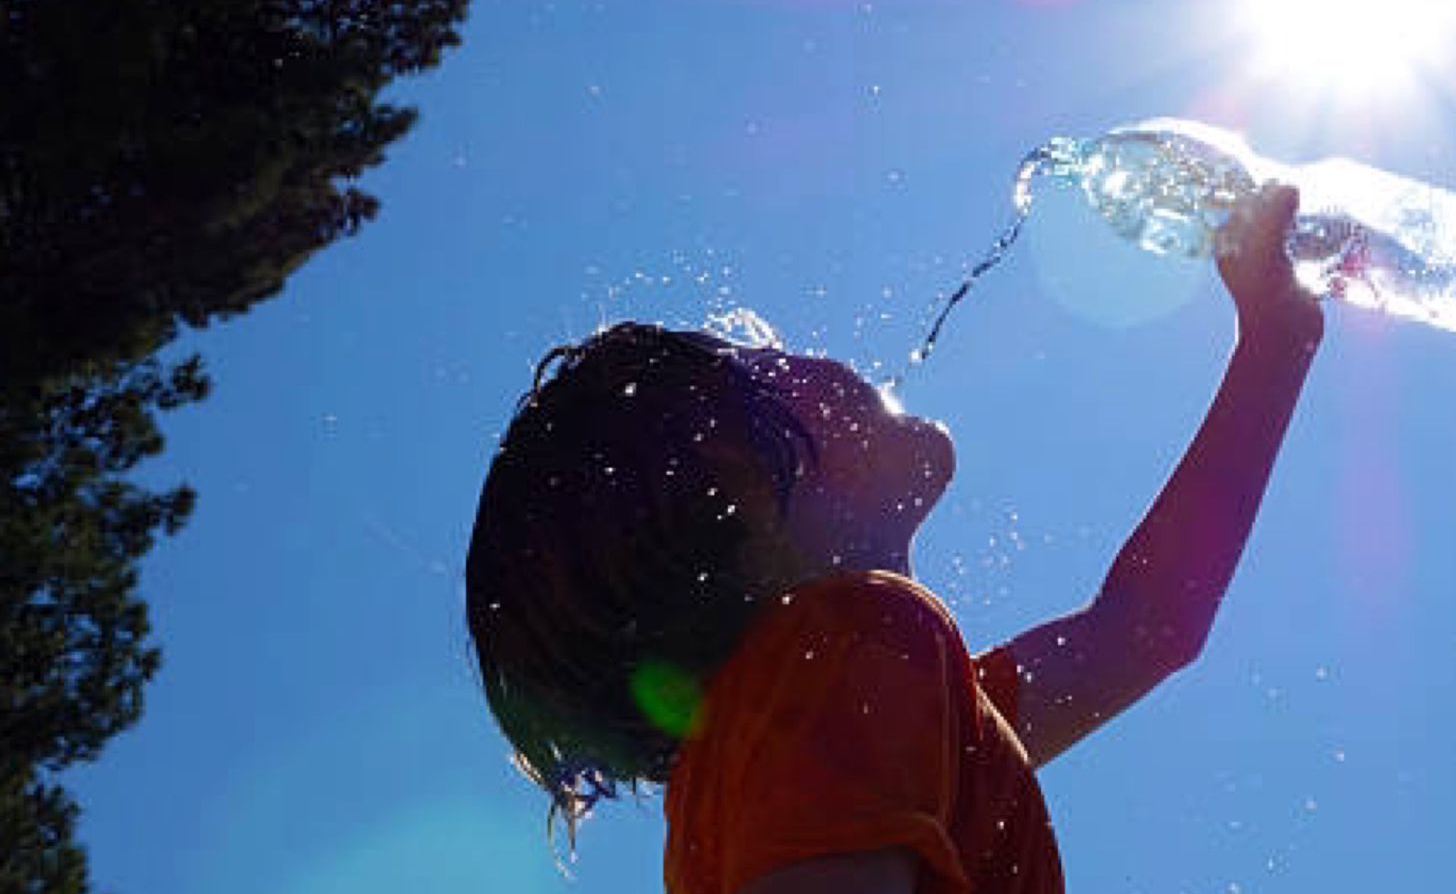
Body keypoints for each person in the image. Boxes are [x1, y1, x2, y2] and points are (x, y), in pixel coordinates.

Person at [465, 184, 1324, 893]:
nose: (804, 355)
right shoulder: (842, 646)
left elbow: (1148, 625)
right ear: (739, 496)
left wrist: (1277, 343)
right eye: (763, 364)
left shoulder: (856, 711)